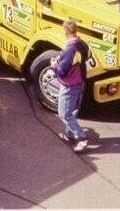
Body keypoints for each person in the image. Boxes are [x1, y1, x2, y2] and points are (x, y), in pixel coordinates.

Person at [52, 19, 90, 152]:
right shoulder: (81, 44)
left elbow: (62, 71)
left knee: (64, 114)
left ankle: (82, 138)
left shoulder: (70, 50)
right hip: (80, 81)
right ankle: (69, 134)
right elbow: (87, 56)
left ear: (66, 32)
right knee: (72, 110)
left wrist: (54, 66)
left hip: (70, 85)